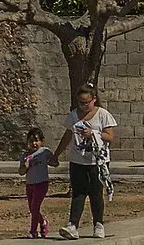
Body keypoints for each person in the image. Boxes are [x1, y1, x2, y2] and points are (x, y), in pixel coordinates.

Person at [51, 82, 116, 239]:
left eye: (86, 102)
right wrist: (56, 155)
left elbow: (109, 136)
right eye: (81, 102)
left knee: (95, 193)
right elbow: (67, 136)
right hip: (78, 161)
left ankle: (98, 224)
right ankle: (73, 225)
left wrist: (93, 133)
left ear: (94, 99)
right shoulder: (73, 115)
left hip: (97, 161)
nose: (83, 106)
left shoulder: (103, 114)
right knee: (78, 193)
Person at [18, 127, 54, 238]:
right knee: (32, 208)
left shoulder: (44, 152)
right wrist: (25, 166)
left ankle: (33, 231)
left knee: (35, 206)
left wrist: (53, 161)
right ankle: (43, 223)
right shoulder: (25, 156)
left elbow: (54, 162)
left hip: (42, 183)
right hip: (30, 184)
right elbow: (21, 172)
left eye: (36, 140)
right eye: (31, 141)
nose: (34, 143)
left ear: (41, 141)